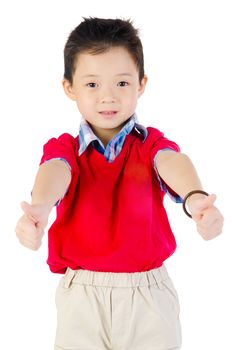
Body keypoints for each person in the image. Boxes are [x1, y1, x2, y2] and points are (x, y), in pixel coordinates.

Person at [15, 17, 224, 350]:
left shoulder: (149, 144)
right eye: (93, 84)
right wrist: (40, 206)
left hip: (148, 295)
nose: (108, 97)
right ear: (69, 87)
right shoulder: (66, 148)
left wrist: (195, 197)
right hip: (82, 295)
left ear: (141, 84)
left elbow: (171, 162)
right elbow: (55, 170)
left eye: (122, 84)